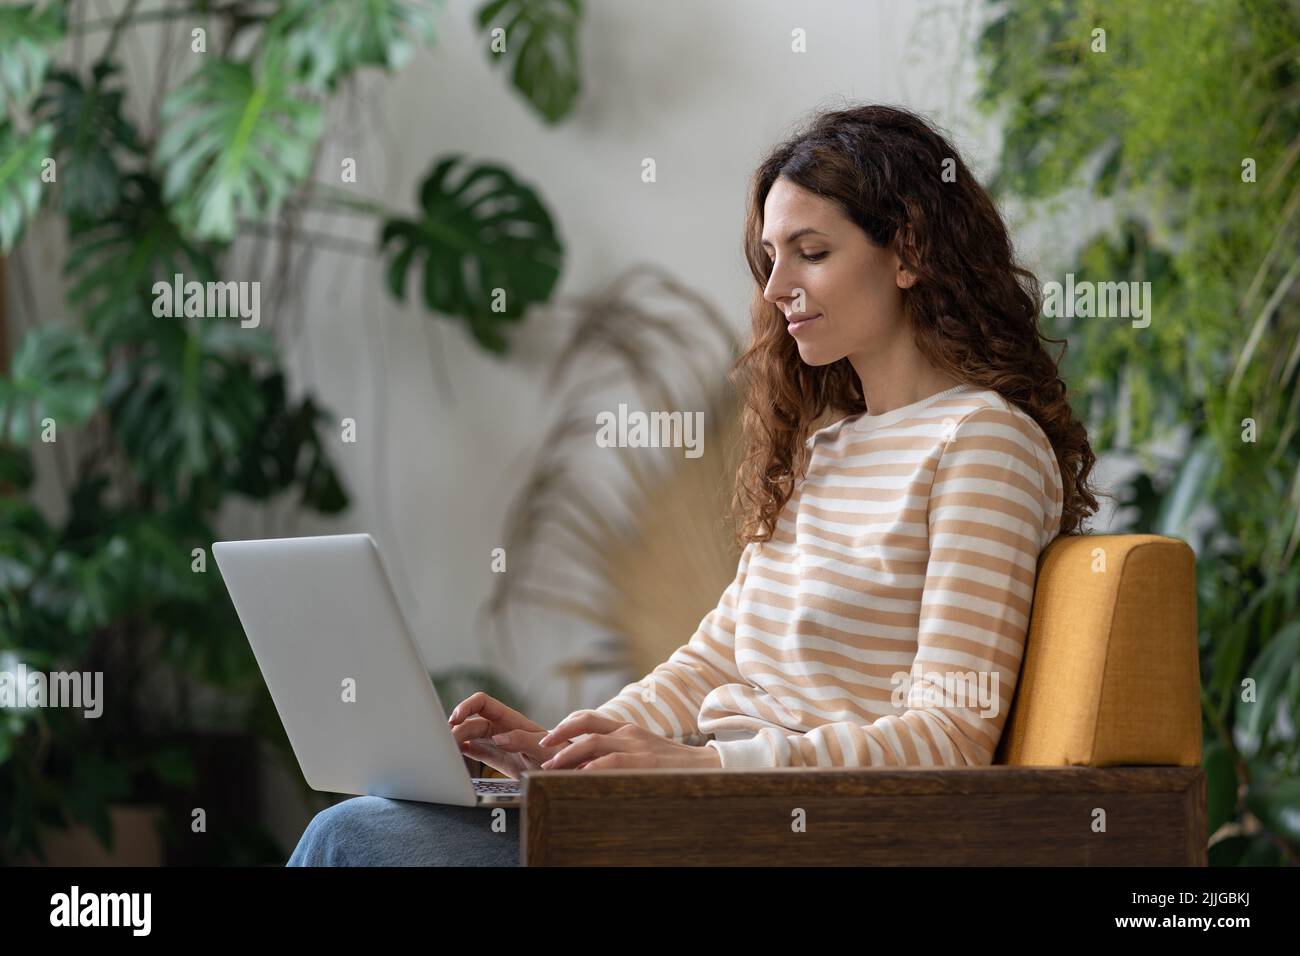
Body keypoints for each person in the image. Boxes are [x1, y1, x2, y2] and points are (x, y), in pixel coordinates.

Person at [287, 103, 1100, 866]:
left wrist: (699, 769)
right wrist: (575, 745)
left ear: (910, 250)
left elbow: (948, 737)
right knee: (357, 830)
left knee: (352, 840)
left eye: (812, 253)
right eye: (771, 258)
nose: (779, 288)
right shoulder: (833, 447)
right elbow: (716, 657)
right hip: (711, 801)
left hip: (781, 827)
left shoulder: (983, 443)